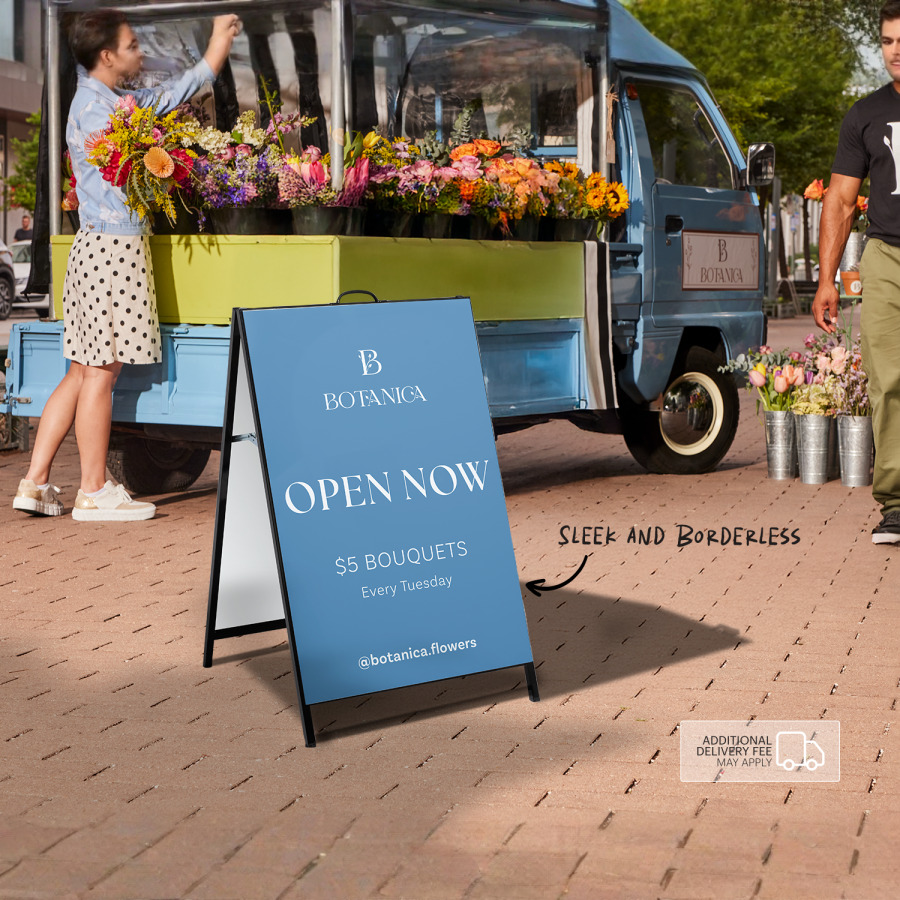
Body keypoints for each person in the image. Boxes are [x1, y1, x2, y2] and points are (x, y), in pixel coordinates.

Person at [12, 9, 240, 522]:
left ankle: (35, 482)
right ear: (107, 55)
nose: (140, 53)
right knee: (100, 374)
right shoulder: (101, 109)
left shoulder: (103, 101)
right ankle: (93, 489)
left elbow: (163, 99)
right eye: (133, 44)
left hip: (96, 248)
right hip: (113, 251)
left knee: (78, 373)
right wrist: (211, 52)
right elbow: (159, 108)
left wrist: (213, 51)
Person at [813, 0, 900, 545]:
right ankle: (896, 502)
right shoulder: (864, 114)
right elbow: (840, 202)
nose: (898, 51)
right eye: (890, 41)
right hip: (887, 255)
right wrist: (826, 280)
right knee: (888, 381)